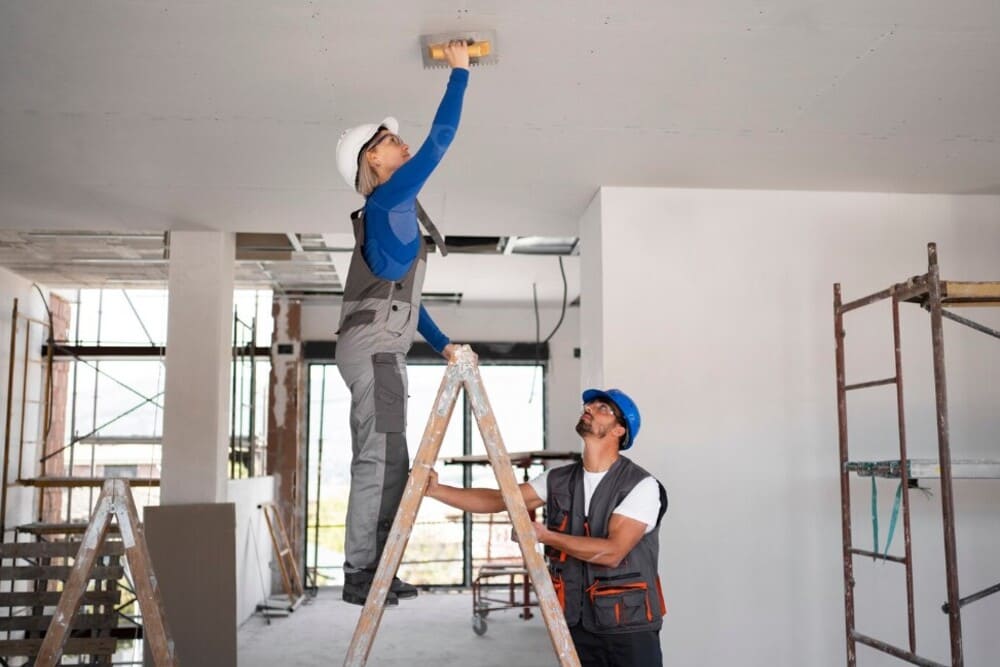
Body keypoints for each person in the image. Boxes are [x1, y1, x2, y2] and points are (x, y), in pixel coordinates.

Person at [333, 41, 471, 606]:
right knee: (379, 458)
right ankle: (361, 572)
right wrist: (459, 74)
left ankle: (376, 567)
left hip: (377, 345)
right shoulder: (389, 201)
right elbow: (439, 144)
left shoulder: (392, 212)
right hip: (375, 351)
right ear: (374, 162)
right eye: (390, 142)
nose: (402, 144)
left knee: (390, 459)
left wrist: (439, 343)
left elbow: (406, 305)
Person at [426, 388, 668, 667]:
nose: (589, 408)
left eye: (603, 408)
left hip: (629, 627)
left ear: (619, 431)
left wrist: (545, 536)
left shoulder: (640, 486)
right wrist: (437, 491)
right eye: (589, 404)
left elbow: (612, 552)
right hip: (574, 622)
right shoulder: (557, 480)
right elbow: (498, 499)